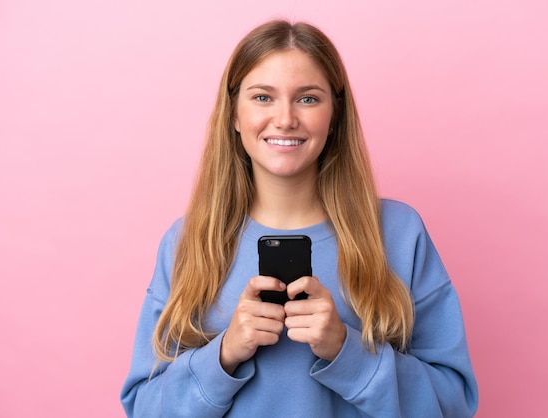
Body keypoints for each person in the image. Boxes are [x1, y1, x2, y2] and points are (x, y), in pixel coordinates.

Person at [121, 19, 478, 417]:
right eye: (262, 97)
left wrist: (348, 352)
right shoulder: (187, 241)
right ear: (234, 115)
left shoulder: (398, 233)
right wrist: (222, 355)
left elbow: (454, 404)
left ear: (334, 116)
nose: (286, 119)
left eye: (308, 98)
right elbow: (144, 408)